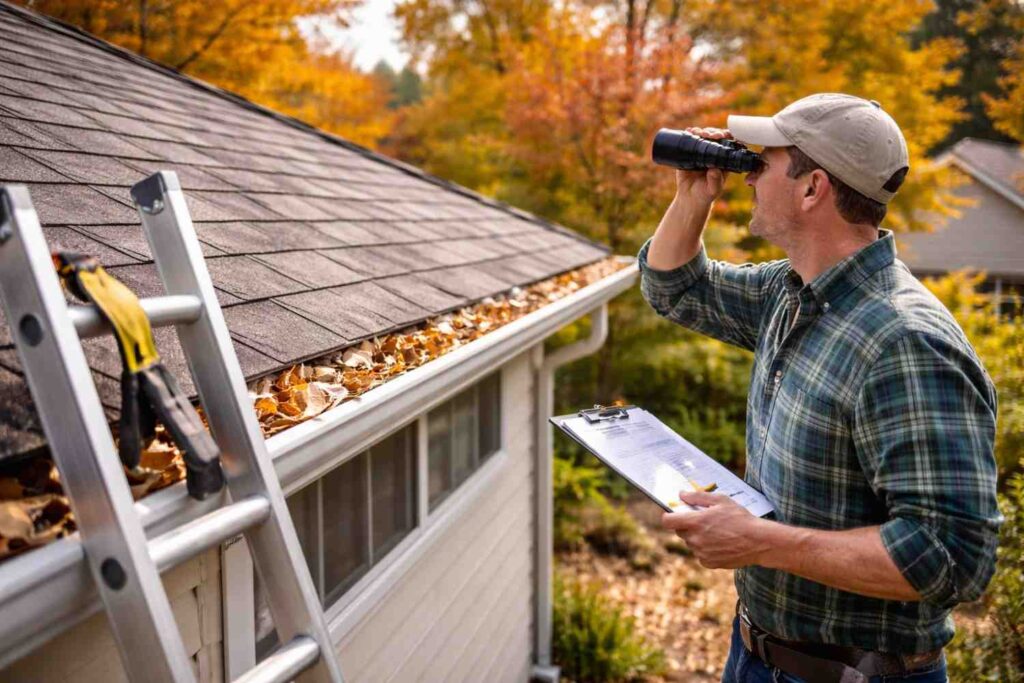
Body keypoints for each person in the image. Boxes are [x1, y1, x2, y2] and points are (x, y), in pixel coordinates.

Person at [638, 93, 1002, 683]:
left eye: (767, 161)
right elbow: (674, 287)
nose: (751, 172)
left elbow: (952, 557)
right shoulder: (792, 293)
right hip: (757, 652)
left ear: (813, 189)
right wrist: (692, 195)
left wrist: (760, 542)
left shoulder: (904, 343)